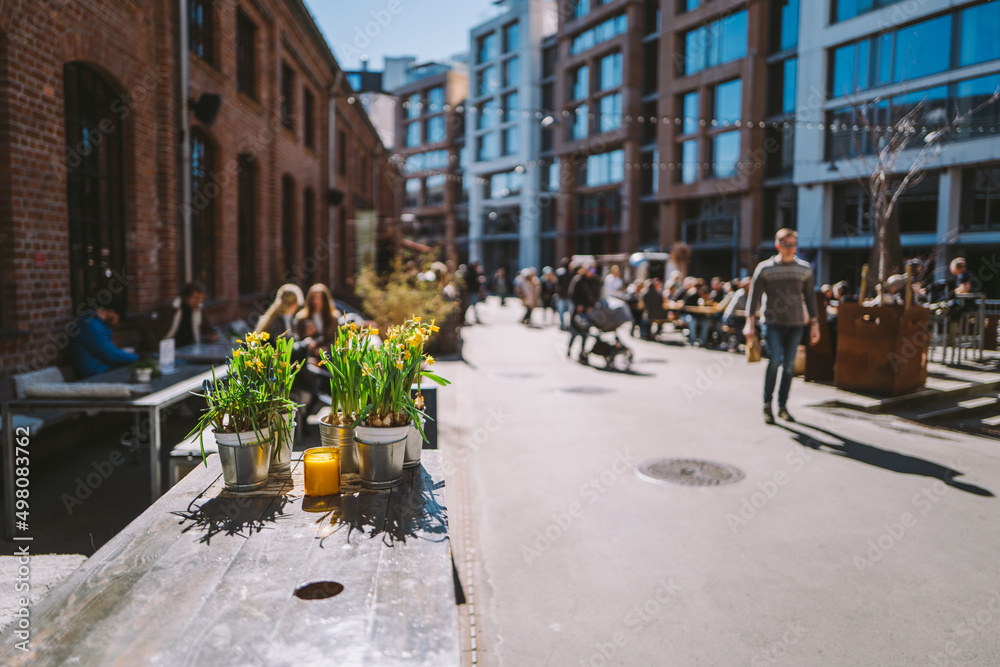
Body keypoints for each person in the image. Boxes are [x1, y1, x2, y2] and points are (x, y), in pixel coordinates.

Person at [744, 229, 820, 424]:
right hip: (772, 323)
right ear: (778, 245)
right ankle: (767, 404)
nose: (790, 248)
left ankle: (783, 406)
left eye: (793, 244)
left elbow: (811, 299)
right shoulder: (765, 268)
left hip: (796, 324)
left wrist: (814, 324)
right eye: (786, 244)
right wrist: (749, 323)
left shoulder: (804, 269)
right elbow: (753, 298)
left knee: (788, 366)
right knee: (776, 360)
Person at [71, 306, 139, 378]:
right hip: (97, 374)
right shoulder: (91, 324)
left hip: (104, 368)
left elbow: (108, 351)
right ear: (112, 312)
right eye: (119, 317)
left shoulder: (96, 323)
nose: (118, 323)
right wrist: (138, 357)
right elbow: (112, 355)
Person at [160, 282, 219, 347]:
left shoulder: (200, 309)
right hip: (169, 347)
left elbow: (208, 327)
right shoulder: (171, 307)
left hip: (190, 348)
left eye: (201, 299)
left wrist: (213, 335)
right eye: (195, 298)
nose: (198, 302)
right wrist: (155, 349)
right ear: (186, 297)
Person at [567, 264, 600, 362]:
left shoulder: (595, 281)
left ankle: (582, 352)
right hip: (577, 311)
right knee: (574, 332)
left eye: (593, 270)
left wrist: (591, 306)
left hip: (588, 311)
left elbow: (597, 295)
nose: (591, 272)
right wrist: (578, 305)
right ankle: (569, 349)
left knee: (585, 333)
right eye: (590, 270)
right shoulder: (578, 280)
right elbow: (571, 294)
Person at [295, 284, 341, 354]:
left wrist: (325, 349)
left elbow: (337, 339)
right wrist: (306, 335)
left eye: (319, 298)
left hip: (328, 353)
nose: (316, 301)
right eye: (313, 298)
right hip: (308, 355)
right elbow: (297, 341)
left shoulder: (334, 318)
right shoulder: (301, 318)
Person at [555, 258, 573, 330]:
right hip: (568, 296)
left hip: (562, 295)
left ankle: (562, 324)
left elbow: (557, 285)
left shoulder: (560, 274)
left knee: (561, 311)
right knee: (569, 312)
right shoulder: (571, 274)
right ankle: (568, 324)